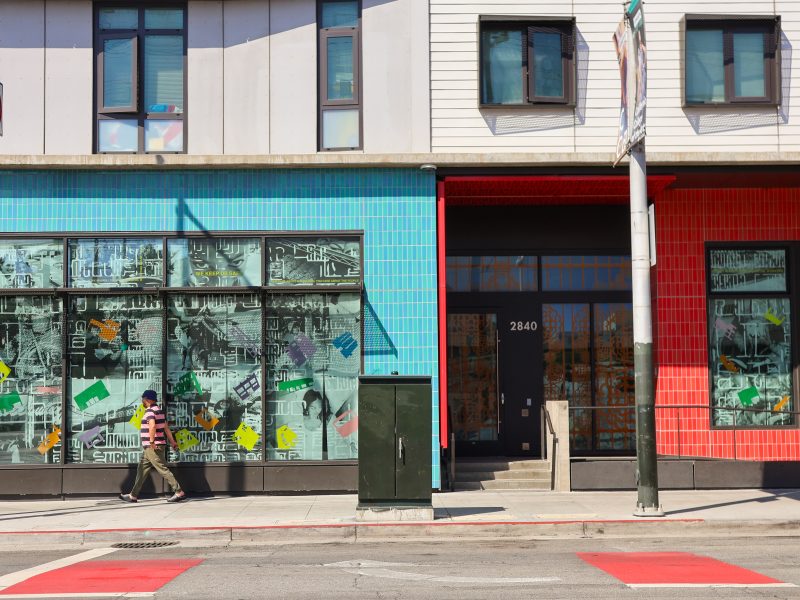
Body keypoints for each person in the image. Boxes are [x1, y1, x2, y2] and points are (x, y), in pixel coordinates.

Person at [119, 389, 186, 503]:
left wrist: (151, 442)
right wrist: (173, 442)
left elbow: (152, 426)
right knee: (142, 469)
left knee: (162, 469)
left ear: (147, 399)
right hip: (151, 447)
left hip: (152, 447)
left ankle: (179, 492)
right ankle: (133, 495)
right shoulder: (159, 411)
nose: (142, 401)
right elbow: (166, 428)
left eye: (143, 399)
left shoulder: (150, 411)